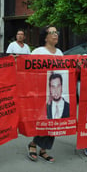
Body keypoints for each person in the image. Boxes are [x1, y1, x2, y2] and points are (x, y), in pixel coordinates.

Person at [27, 25, 63, 163]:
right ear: (45, 36)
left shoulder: (60, 53)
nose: (56, 35)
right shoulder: (38, 51)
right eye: (52, 32)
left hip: (56, 94)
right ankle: (33, 144)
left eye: (56, 32)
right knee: (43, 120)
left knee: (54, 122)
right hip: (41, 92)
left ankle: (43, 150)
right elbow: (28, 71)